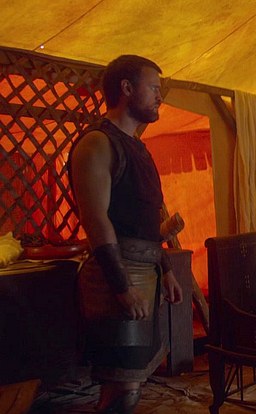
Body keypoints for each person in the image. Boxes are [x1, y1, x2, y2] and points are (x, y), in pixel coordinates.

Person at [69, 55, 183, 413]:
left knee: (132, 381)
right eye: (154, 88)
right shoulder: (97, 143)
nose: (159, 97)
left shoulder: (138, 147)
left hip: (145, 274)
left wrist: (165, 269)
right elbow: (96, 220)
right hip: (117, 278)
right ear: (127, 88)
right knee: (123, 388)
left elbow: (144, 220)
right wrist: (122, 287)